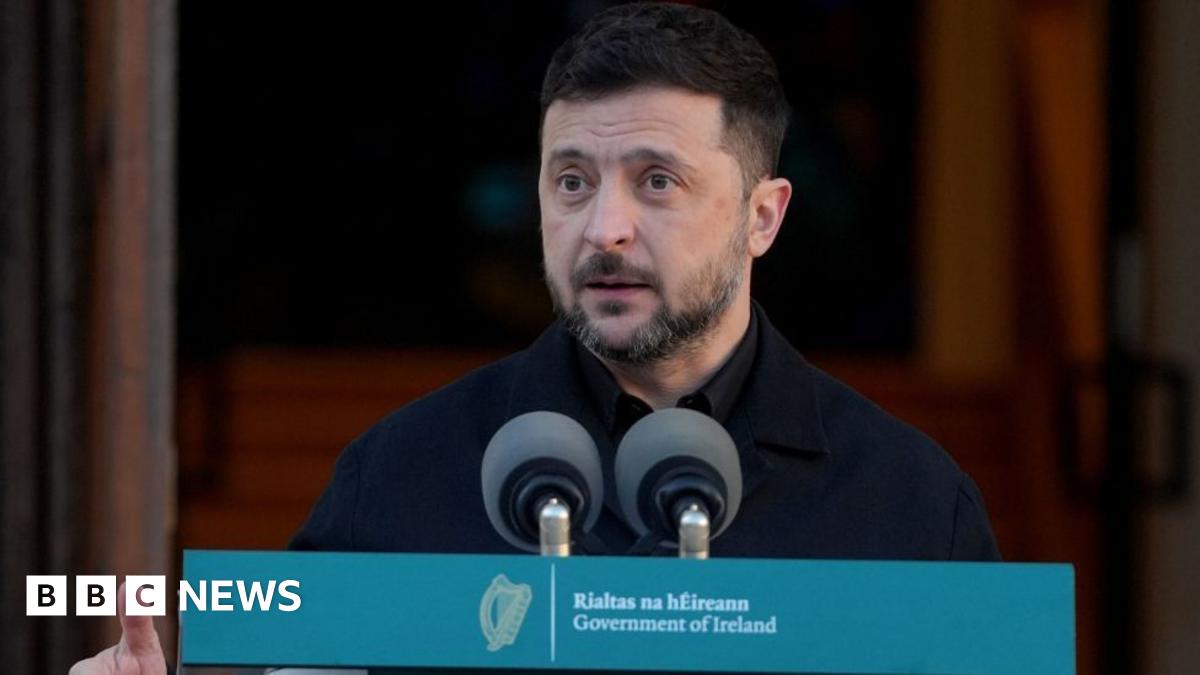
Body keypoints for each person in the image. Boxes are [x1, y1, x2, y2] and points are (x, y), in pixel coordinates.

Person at [70, 3, 999, 672]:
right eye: (572, 181)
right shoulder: (397, 476)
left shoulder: (912, 507)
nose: (605, 229)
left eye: (658, 181)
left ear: (763, 216)